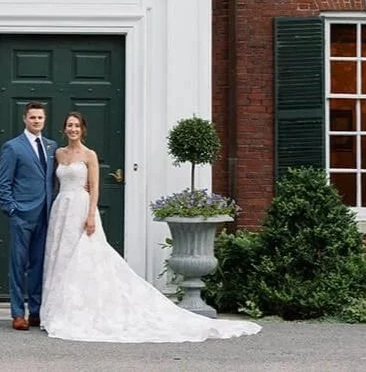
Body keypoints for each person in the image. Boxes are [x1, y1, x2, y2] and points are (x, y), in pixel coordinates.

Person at [39, 111, 261, 343]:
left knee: (85, 256)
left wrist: (91, 215)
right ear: (64, 129)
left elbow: (94, 187)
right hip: (61, 208)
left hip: (82, 207)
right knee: (60, 255)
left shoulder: (89, 155)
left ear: (82, 129)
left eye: (76, 126)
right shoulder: (58, 153)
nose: (72, 129)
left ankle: (85, 308)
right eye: (69, 125)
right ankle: (58, 307)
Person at [0, 101, 57, 331]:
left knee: (39, 265)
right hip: (22, 214)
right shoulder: (13, 147)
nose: (36, 121)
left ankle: (36, 312)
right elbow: (4, 182)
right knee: (17, 264)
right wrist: (11, 209)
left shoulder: (51, 146)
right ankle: (17, 313)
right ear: (25, 119)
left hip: (45, 214)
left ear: (44, 119)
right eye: (32, 118)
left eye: (40, 118)